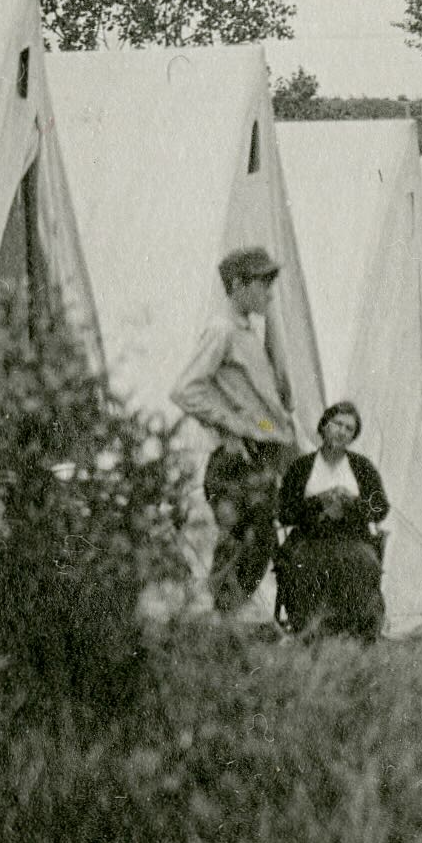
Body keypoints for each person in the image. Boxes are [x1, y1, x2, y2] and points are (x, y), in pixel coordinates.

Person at [172, 245, 298, 617]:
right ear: (239, 285)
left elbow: (280, 396)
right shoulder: (222, 329)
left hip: (260, 458)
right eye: (262, 284)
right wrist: (231, 424)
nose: (269, 294)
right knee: (242, 547)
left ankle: (223, 624)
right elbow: (185, 389)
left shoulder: (248, 333)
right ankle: (220, 626)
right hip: (237, 461)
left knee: (256, 546)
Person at [274, 399, 392, 642]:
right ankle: (308, 629)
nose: (341, 431)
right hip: (310, 538)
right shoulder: (302, 467)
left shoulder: (361, 467)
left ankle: (356, 630)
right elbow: (284, 511)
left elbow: (381, 508)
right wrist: (318, 501)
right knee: (304, 563)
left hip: (352, 538)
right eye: (338, 424)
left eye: (349, 429)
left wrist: (353, 502)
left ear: (353, 436)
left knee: (361, 562)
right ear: (324, 425)